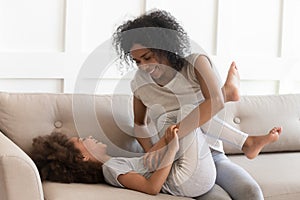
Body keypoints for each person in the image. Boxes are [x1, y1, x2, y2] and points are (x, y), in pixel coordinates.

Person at [112, 9, 282, 199]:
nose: (144, 66)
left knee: (252, 193)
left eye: (148, 57)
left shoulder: (195, 64)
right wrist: (153, 152)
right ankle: (229, 96)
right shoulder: (140, 83)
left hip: (213, 153)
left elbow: (215, 103)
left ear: (164, 47)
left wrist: (161, 142)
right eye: (137, 61)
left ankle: (231, 104)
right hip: (179, 161)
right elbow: (139, 124)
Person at [31, 127, 281, 197]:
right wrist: (171, 148)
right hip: (185, 182)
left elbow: (149, 162)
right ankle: (245, 141)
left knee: (188, 119)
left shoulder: (115, 161)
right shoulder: (111, 169)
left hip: (190, 178)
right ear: (82, 156)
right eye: (81, 139)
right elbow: (152, 188)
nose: (88, 136)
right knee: (191, 118)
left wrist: (164, 140)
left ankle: (225, 101)